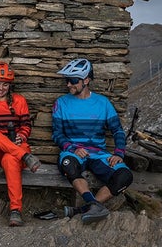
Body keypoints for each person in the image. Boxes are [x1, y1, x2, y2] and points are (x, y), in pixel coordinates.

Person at [51, 58, 133, 224]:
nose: (68, 85)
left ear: (86, 80)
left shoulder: (103, 103)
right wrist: (72, 148)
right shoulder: (61, 103)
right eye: (67, 80)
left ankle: (86, 208)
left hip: (99, 154)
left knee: (125, 175)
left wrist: (119, 153)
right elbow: (57, 134)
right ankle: (92, 204)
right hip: (73, 152)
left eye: (73, 80)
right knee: (68, 163)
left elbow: (117, 130)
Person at [0, 62, 41, 226]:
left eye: (5, 84)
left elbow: (26, 125)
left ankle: (15, 211)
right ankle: (25, 156)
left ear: (10, 85)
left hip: (14, 149)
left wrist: (21, 136)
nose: (1, 88)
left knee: (10, 159)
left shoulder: (19, 101)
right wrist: (17, 150)